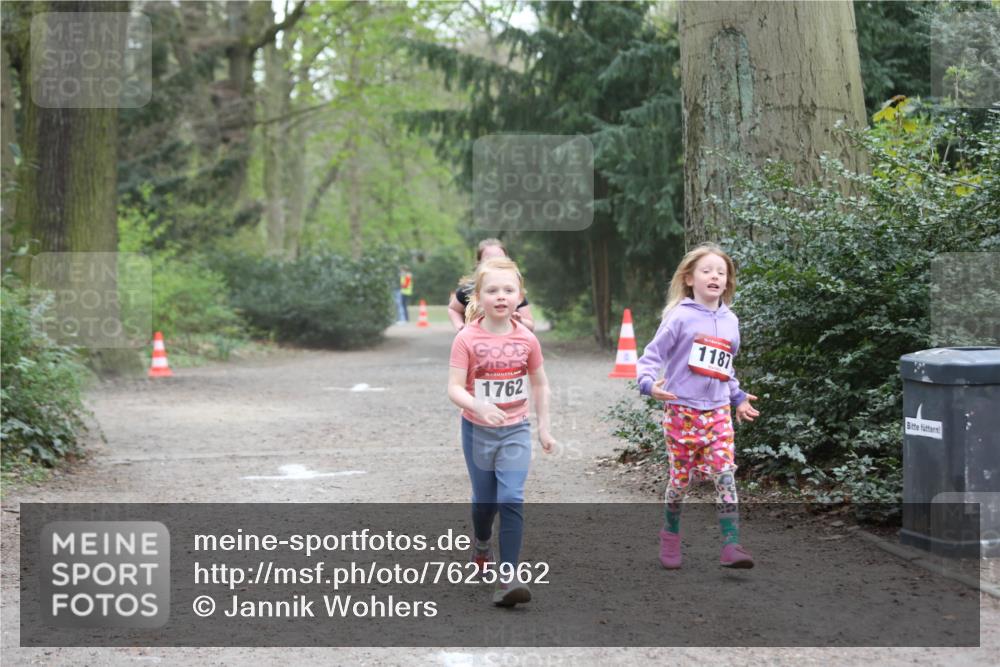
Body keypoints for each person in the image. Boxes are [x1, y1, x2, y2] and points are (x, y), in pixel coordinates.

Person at [636, 243, 760, 570]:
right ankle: (670, 535)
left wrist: (738, 397)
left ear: (727, 281)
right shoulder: (680, 316)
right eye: (707, 271)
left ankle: (731, 545)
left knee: (725, 474)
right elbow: (652, 355)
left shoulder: (731, 320)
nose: (715, 276)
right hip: (682, 411)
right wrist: (648, 383)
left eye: (721, 272)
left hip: (718, 412)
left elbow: (724, 368)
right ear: (689, 278)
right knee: (680, 481)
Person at [447, 257, 555, 606]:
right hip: (477, 430)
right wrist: (478, 406)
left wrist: (544, 428)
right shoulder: (466, 338)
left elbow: (540, 383)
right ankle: (481, 544)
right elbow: (454, 388)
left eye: (508, 290)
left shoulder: (527, 339)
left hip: (515, 430)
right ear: (479, 296)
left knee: (511, 497)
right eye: (492, 290)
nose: (501, 296)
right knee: (485, 502)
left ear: (519, 296)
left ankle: (508, 577)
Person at [448, 239, 535, 332]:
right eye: (489, 258)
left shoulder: (513, 291)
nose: (495, 261)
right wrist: (460, 325)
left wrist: (520, 321)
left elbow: (530, 326)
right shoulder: (468, 289)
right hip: (475, 339)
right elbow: (453, 309)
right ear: (478, 263)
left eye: (500, 258)